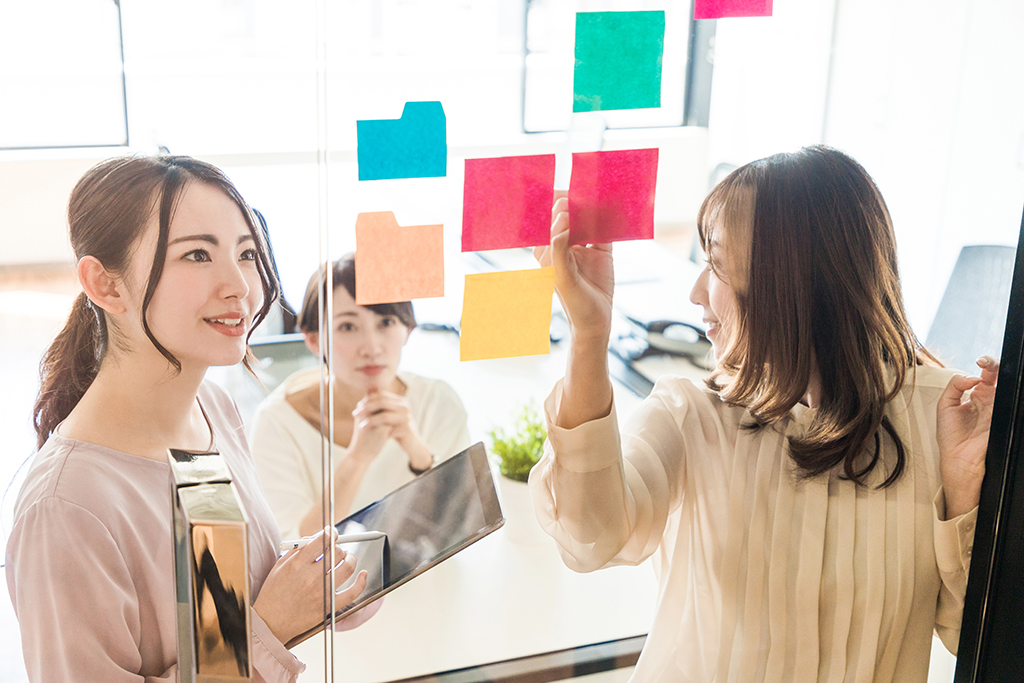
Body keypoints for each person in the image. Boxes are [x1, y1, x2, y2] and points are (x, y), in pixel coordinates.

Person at [530, 145, 997, 683]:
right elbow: (590, 536)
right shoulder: (692, 415)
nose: (696, 291)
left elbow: (975, 636)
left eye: (717, 265)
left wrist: (965, 495)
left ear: (788, 283)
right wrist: (589, 335)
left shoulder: (945, 422)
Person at [5, 155, 370, 682]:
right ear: (106, 285)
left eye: (247, 252)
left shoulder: (209, 411)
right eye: (197, 255)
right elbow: (240, 636)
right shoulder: (65, 509)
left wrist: (311, 586)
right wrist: (271, 625)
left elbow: (214, 611)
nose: (240, 285)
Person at [249, 255, 471, 540]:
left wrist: (418, 453)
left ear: (408, 329)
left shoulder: (438, 401)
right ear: (314, 341)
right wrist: (357, 460)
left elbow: (460, 528)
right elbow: (292, 548)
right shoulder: (277, 423)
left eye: (386, 322)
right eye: (348, 327)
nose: (372, 347)